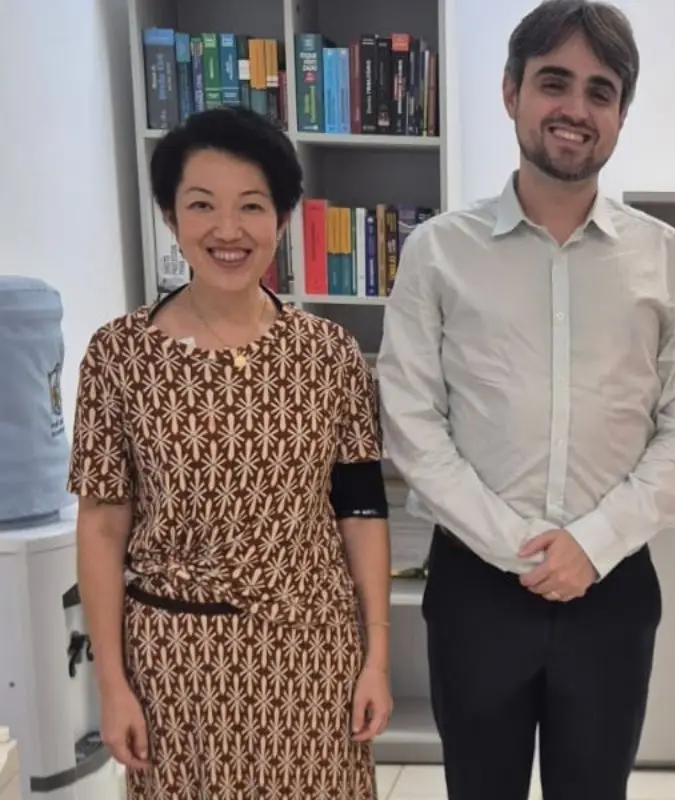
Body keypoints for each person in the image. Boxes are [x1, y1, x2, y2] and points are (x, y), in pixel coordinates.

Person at [375, 2, 675, 798]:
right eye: (553, 82)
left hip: (612, 588)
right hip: (476, 587)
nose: (576, 108)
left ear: (621, 115)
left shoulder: (665, 259)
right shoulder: (438, 254)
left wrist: (593, 544)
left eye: (601, 92)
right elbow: (413, 423)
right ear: (511, 93)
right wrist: (521, 545)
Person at [67, 105, 393, 799]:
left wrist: (378, 658)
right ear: (169, 214)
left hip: (311, 654)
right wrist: (112, 683)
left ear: (280, 218)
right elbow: (100, 525)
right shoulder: (119, 356)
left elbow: (361, 511)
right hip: (174, 664)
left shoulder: (328, 354)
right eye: (201, 205)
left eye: (251, 206)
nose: (227, 229)